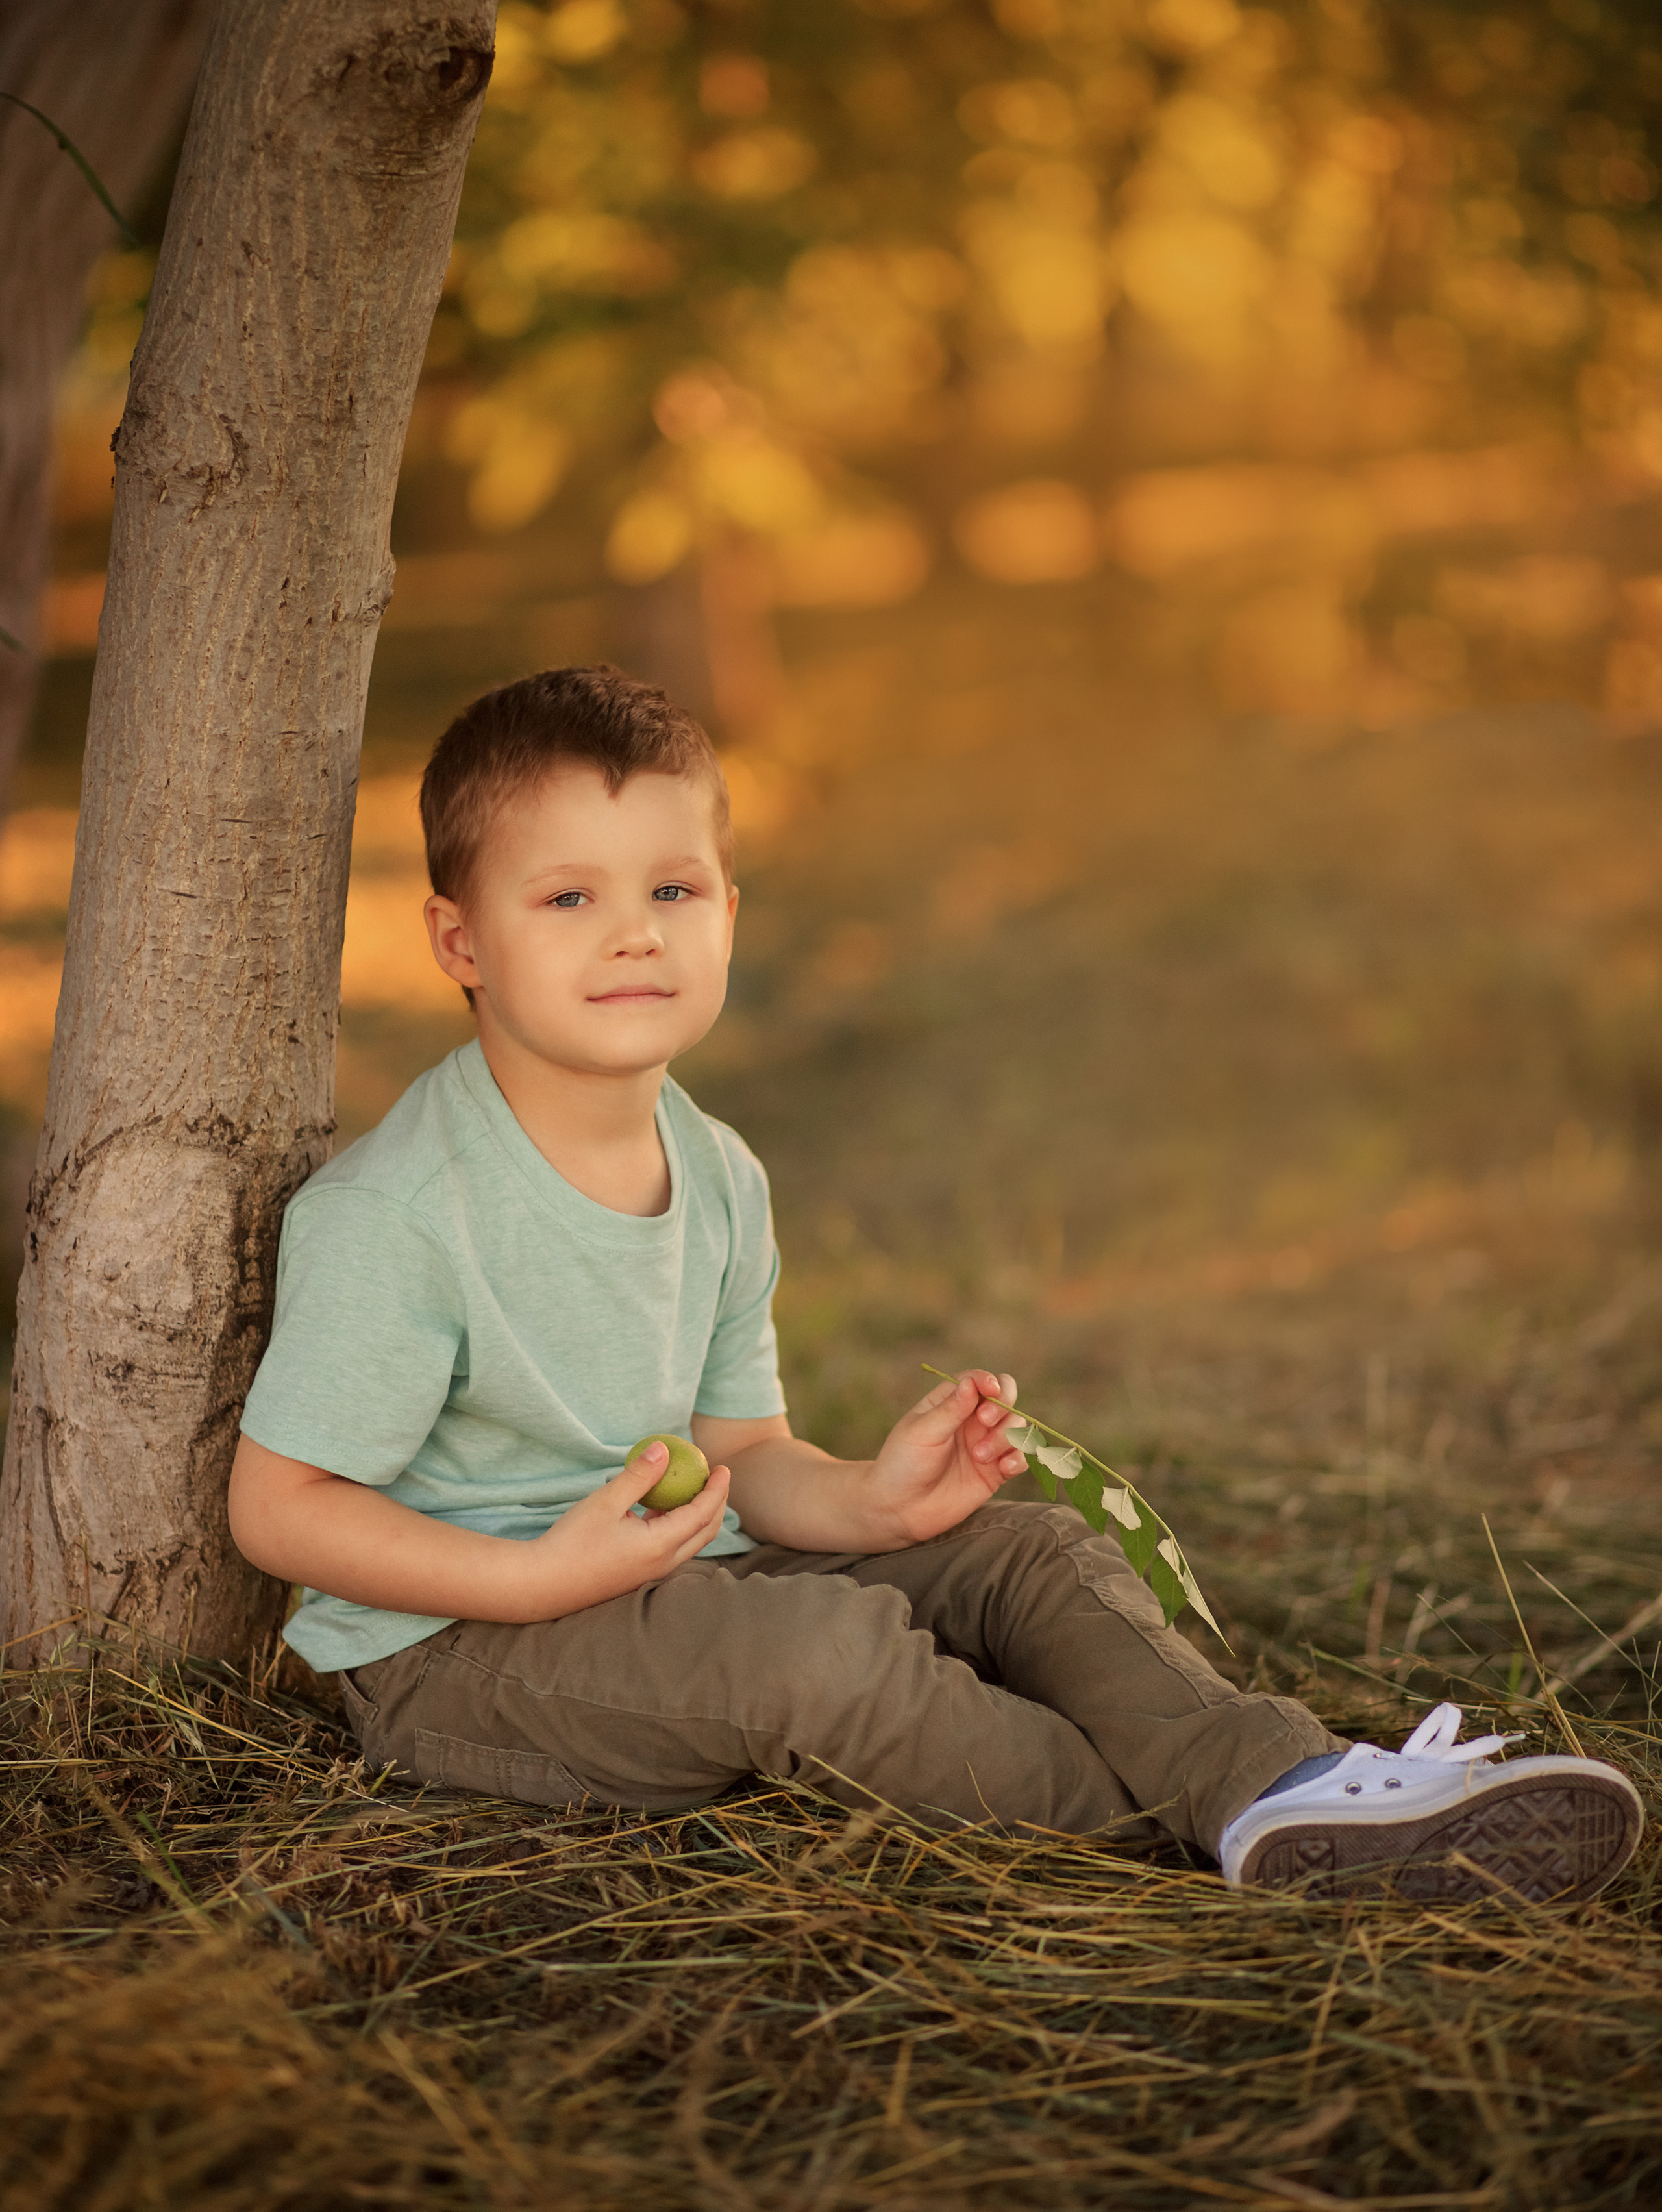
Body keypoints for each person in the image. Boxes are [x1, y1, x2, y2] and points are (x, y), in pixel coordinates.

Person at [228, 667, 1642, 1900]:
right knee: (814, 1660)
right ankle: (1199, 1829)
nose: (634, 932)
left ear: (727, 907)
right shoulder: (403, 1212)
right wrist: (537, 1579)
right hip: (458, 1655)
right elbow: (279, 1510)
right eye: (567, 896)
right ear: (462, 943)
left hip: (672, 1569)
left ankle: (1279, 1787)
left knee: (1031, 1555)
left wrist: (868, 1502)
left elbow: (739, 1457)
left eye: (670, 888)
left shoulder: (714, 1170)